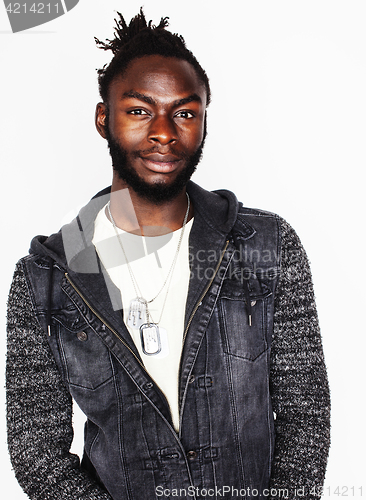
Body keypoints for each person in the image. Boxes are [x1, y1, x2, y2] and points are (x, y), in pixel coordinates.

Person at [6, 9, 330, 500]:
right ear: (103, 119)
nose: (163, 132)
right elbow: (37, 453)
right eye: (138, 110)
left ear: (203, 121)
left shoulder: (265, 245)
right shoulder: (49, 278)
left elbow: (305, 413)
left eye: (184, 112)